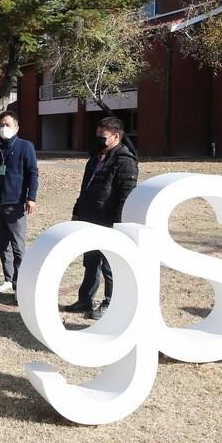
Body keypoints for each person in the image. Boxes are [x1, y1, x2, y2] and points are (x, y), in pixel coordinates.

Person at [70, 116, 139, 319]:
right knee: (90, 261)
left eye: (103, 136)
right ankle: (85, 299)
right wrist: (77, 210)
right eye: (98, 135)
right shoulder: (96, 157)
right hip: (89, 216)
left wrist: (118, 223)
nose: (99, 139)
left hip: (110, 220)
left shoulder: (125, 161)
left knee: (110, 264)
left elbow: (126, 194)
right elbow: (86, 187)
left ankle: (110, 302)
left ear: (116, 136)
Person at [0, 110, 38, 295]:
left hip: (15, 204)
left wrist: (31, 198)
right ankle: (8, 279)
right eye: (1, 125)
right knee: (2, 245)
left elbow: (32, 173)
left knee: (18, 246)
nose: (4, 128)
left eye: (7, 124)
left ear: (16, 127)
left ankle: (20, 283)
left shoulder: (25, 146)